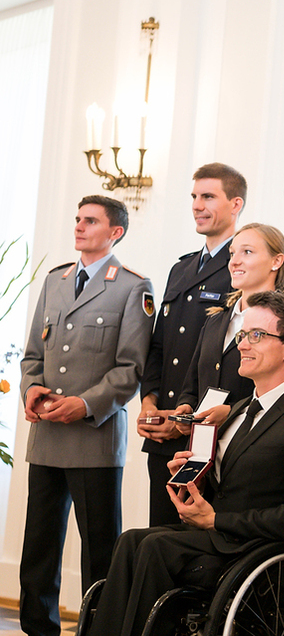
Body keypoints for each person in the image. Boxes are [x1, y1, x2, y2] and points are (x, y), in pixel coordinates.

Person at [87, 291, 284, 636]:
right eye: (242, 335)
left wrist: (215, 519)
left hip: (255, 548)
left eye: (256, 336)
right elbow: (230, 485)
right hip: (218, 535)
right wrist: (194, 479)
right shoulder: (237, 412)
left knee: (153, 547)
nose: (243, 345)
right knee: (130, 540)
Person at [19, 195, 154, 636]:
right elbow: (33, 356)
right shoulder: (55, 279)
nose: (79, 226)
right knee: (38, 547)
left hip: (93, 438)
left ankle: (97, 630)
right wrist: (32, 390)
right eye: (78, 219)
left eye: (90, 220)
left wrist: (83, 404)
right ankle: (37, 628)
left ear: (114, 231)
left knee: (99, 552)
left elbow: (131, 368)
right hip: (47, 438)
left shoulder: (133, 286)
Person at [138, 163, 244, 527]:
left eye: (209, 197)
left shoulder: (242, 264)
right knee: (158, 531)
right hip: (161, 426)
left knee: (195, 538)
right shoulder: (181, 268)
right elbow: (159, 346)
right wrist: (149, 401)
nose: (198, 205)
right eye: (195, 197)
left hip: (204, 430)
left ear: (235, 204)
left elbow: (230, 361)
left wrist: (182, 418)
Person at [172, 223, 284, 423]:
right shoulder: (215, 320)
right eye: (233, 253)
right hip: (206, 445)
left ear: (276, 261)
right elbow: (192, 385)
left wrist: (232, 411)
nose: (234, 261)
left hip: (254, 441)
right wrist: (187, 407)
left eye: (247, 252)